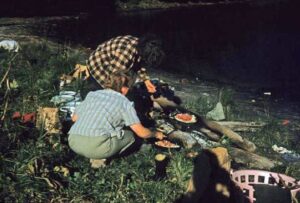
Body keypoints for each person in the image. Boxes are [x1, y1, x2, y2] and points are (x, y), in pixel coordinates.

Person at [68, 72, 165, 167]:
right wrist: (156, 133)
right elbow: (141, 132)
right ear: (124, 89)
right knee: (131, 136)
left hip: (73, 141)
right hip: (96, 146)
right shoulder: (124, 102)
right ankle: (100, 157)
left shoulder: (92, 95)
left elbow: (74, 118)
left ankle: (93, 153)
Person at [86, 34, 165, 93]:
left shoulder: (141, 46)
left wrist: (146, 81)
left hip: (114, 65)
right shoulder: (125, 52)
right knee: (113, 92)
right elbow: (114, 76)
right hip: (99, 66)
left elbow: (139, 65)